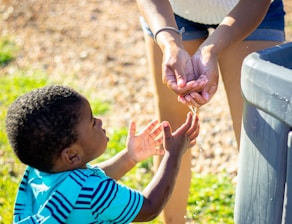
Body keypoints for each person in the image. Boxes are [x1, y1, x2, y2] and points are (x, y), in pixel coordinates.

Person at [136, 0, 285, 223]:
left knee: (260, 136)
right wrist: (169, 42)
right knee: (173, 131)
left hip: (250, 9)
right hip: (171, 11)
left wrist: (211, 49)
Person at [6, 84, 199, 223]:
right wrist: (173, 155)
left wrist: (129, 157)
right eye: (91, 122)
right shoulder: (96, 195)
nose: (99, 121)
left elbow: (82, 181)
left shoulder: (38, 174)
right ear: (72, 155)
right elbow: (149, 207)